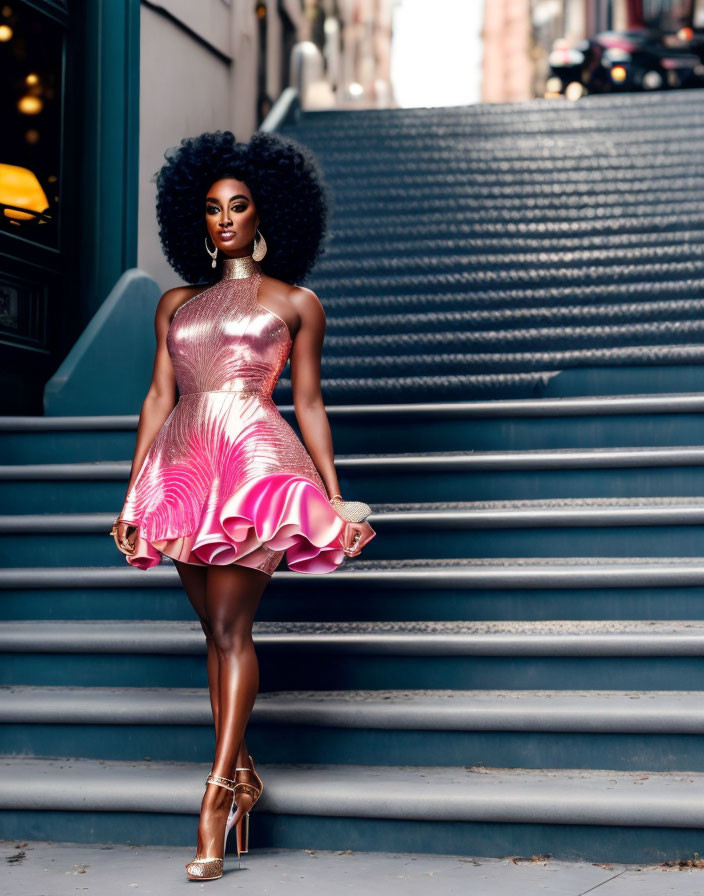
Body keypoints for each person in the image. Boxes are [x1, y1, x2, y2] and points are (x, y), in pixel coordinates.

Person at [109, 129, 376, 881]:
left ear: (267, 215)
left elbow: (311, 402)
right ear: (196, 220)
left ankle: (218, 794)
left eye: (240, 205)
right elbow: (159, 396)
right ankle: (245, 770)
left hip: (255, 468)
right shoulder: (175, 303)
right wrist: (134, 493)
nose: (225, 219)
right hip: (182, 471)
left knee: (231, 627)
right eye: (212, 208)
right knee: (213, 631)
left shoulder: (295, 304)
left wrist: (330, 494)